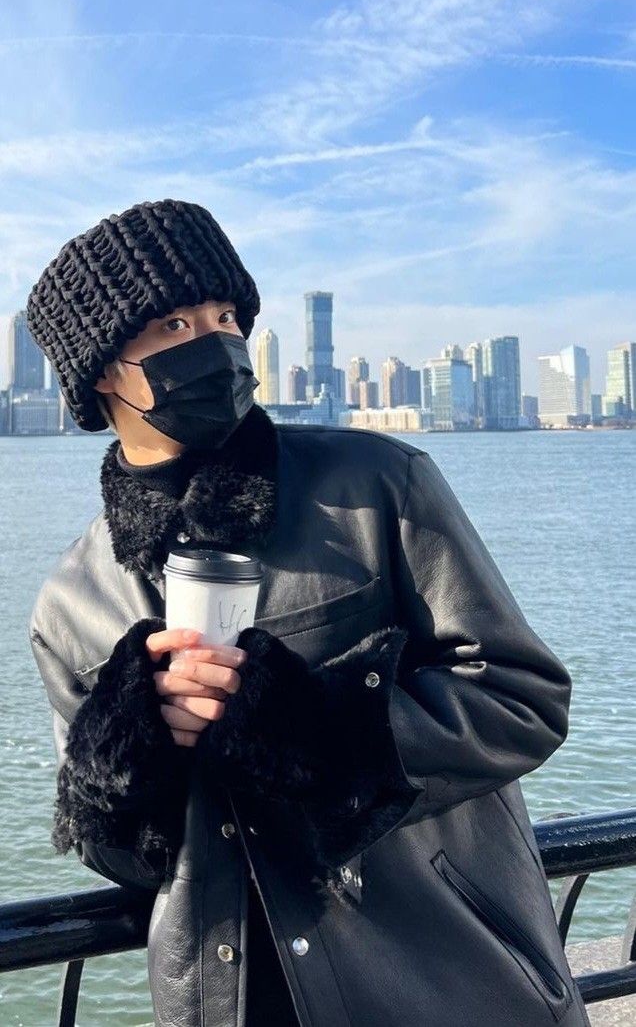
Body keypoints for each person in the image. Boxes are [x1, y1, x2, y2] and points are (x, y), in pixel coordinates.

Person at [27, 197, 591, 1027]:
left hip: (445, 981)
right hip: (231, 1000)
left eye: (227, 316)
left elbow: (524, 698)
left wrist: (320, 732)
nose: (217, 344)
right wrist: (130, 759)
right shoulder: (73, 600)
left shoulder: (375, 485)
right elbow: (123, 852)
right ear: (102, 370)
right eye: (175, 327)